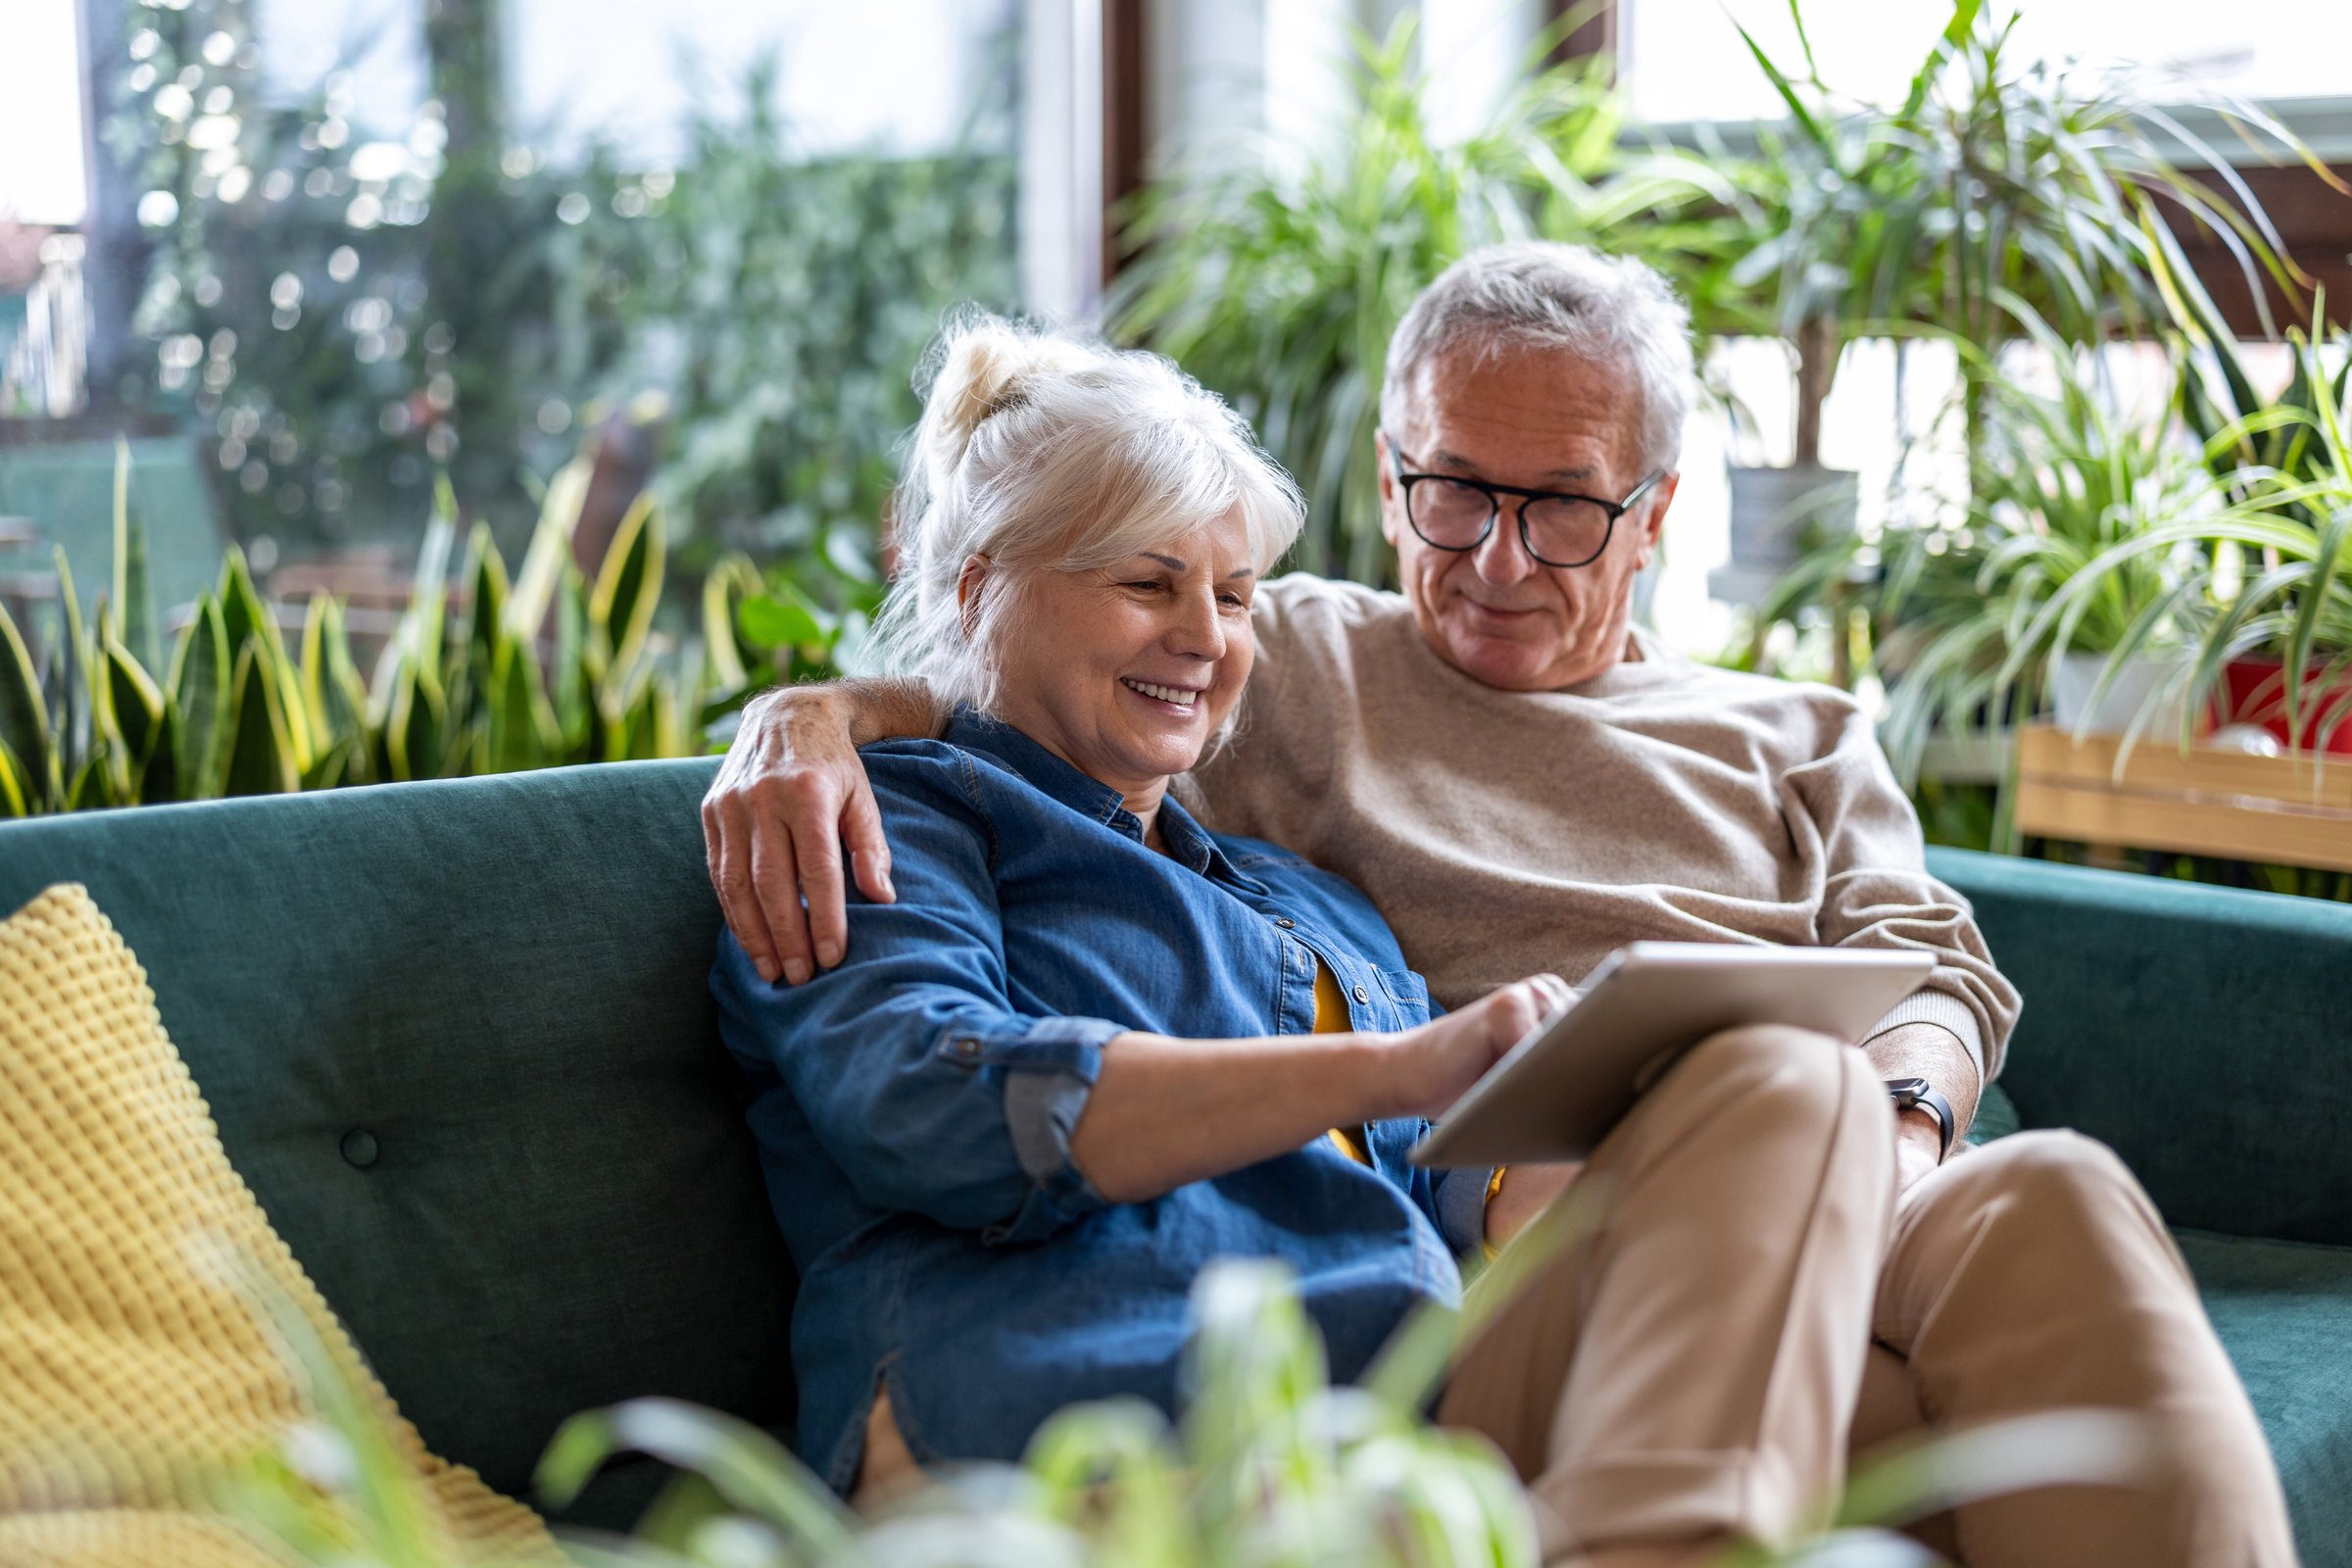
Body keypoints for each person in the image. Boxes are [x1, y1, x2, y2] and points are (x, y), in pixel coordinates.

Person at [705, 246, 2298, 1568]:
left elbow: (1930, 962)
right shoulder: (1305, 665)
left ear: (1657, 510)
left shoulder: (1782, 735)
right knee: (1772, 1081)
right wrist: (809, 716)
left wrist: (1898, 1133)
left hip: (1838, 1169)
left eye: (1567, 508)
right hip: (1556, 1255)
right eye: (1456, 494)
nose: (1501, 559)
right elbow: (1024, 688)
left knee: (2056, 1196)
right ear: (1395, 483)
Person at [712, 314, 1587, 1513]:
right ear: (978, 592)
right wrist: (1387, 1068)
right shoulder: (891, 822)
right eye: (1147, 583)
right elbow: (926, 1099)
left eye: (1233, 595)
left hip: (1388, 1427)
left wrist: (1533, 1157)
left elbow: (1434, 1175)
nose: (1204, 637)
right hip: (1075, 1423)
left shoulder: (1313, 904)